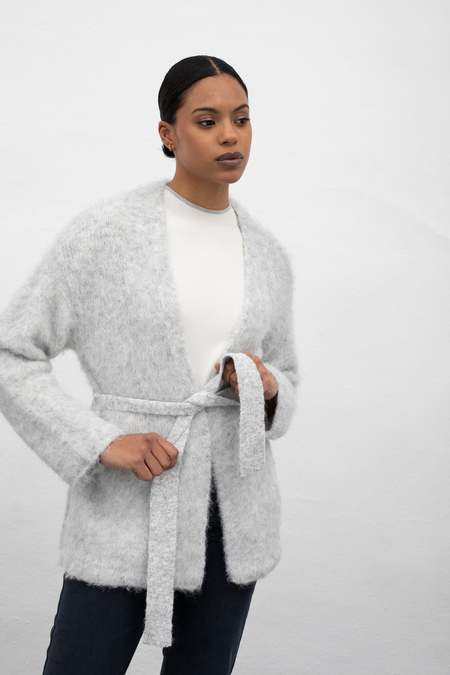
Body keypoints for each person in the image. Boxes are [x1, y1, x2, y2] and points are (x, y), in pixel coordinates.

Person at [0, 55, 299, 674]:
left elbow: (286, 372)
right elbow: (11, 353)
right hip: (130, 505)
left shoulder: (268, 254)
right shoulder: (105, 236)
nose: (229, 136)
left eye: (241, 119)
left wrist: (269, 389)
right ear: (168, 133)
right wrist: (99, 441)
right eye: (207, 121)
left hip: (232, 520)